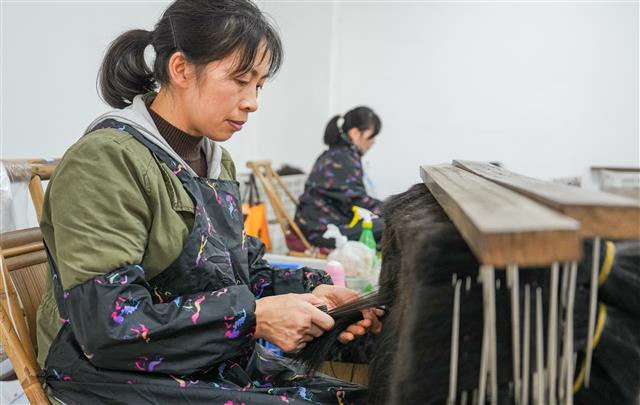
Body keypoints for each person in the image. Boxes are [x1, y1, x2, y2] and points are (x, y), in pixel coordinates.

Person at [35, 1, 381, 403]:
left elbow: (240, 274)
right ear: (181, 69)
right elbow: (108, 329)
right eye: (240, 80)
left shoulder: (216, 161)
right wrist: (253, 319)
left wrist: (316, 293)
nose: (253, 102)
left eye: (259, 86)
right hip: (105, 378)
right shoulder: (106, 161)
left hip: (205, 361)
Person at [294, 107, 384, 249]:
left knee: (383, 222)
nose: (373, 142)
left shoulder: (338, 154)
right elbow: (357, 201)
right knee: (386, 225)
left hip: (323, 225)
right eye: (371, 137)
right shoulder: (342, 159)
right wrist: (394, 209)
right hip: (321, 231)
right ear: (355, 133)